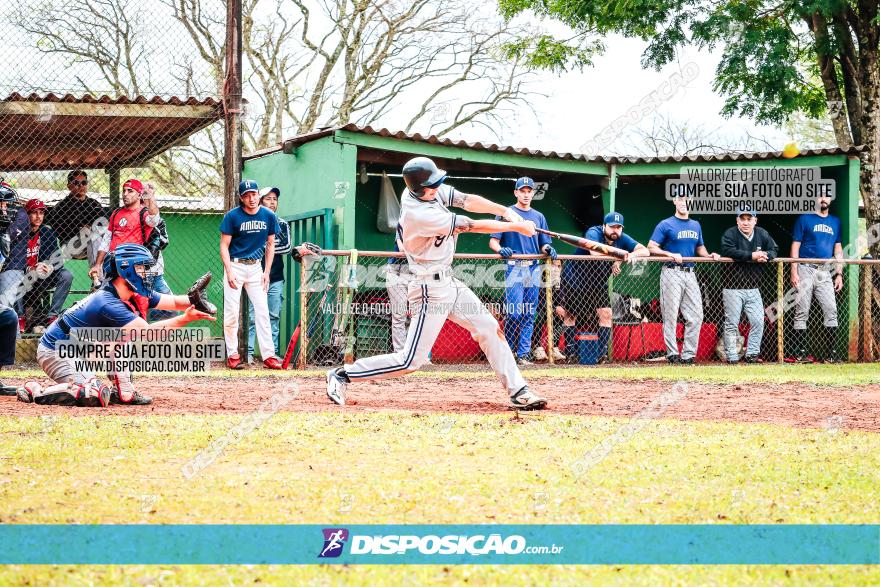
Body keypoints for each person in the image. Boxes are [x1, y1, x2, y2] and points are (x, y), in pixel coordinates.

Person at [325, 157, 547, 411]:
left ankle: (518, 390)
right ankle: (343, 374)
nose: (437, 187)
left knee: (489, 327)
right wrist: (517, 226)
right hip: (428, 289)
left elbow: (466, 199)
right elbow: (469, 224)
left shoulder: (426, 191)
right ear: (419, 189)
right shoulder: (418, 214)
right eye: (432, 185)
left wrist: (507, 212)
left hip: (449, 281)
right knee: (410, 361)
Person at [16, 244, 216, 407]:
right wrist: (186, 318)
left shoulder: (131, 292)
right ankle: (36, 390)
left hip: (84, 348)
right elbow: (148, 334)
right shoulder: (107, 302)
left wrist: (194, 299)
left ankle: (124, 393)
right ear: (125, 270)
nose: (146, 273)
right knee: (93, 393)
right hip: (55, 351)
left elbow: (172, 302)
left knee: (123, 337)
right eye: (141, 268)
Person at [557, 212, 649, 363]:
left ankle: (602, 355)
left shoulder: (622, 239)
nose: (615, 230)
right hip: (575, 278)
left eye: (618, 227)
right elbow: (594, 252)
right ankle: (571, 354)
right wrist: (620, 257)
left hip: (597, 281)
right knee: (570, 315)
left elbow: (645, 250)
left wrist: (629, 256)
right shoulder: (594, 232)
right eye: (612, 226)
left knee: (606, 313)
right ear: (604, 226)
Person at [487, 177, 557, 365]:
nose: (526, 194)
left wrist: (548, 249)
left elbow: (544, 245)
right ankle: (507, 351)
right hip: (514, 268)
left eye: (529, 191)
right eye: (522, 191)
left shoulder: (539, 216)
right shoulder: (506, 213)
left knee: (529, 313)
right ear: (516, 192)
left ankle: (523, 354)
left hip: (534, 268)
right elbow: (493, 241)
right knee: (514, 312)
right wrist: (501, 249)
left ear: (533, 193)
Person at [648, 196, 720, 364]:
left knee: (696, 316)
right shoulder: (665, 224)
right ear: (674, 201)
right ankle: (672, 354)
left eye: (688, 199)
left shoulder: (696, 225)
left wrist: (710, 255)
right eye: (680, 199)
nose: (684, 202)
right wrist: (670, 254)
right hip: (672, 271)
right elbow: (651, 246)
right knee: (670, 315)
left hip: (690, 273)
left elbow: (700, 247)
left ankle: (688, 355)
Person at [220, 179, 282, 370]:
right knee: (232, 312)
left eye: (254, 194)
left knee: (263, 311)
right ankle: (233, 355)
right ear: (241, 198)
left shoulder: (268, 216)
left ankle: (269, 356)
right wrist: (229, 271)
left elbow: (271, 244)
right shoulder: (232, 217)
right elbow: (224, 245)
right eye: (247, 195)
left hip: (256, 267)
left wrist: (267, 272)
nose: (251, 198)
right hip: (236, 266)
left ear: (258, 195)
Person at [0, 199, 74, 332]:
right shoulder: (18, 232)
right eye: (34, 212)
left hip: (41, 276)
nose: (39, 216)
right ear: (26, 215)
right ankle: (20, 317)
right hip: (23, 274)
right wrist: (29, 268)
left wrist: (48, 266)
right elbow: (11, 261)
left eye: (41, 213)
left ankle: (52, 316)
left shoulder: (47, 232)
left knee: (66, 275)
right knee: (15, 276)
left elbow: (57, 258)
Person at [786, 194, 843, 363]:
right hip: (805, 267)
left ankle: (831, 354)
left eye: (827, 196)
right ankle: (801, 353)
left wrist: (839, 273)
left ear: (831, 199)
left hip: (825, 271)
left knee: (831, 309)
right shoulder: (805, 218)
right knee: (802, 311)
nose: (823, 199)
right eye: (820, 196)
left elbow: (838, 249)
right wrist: (793, 271)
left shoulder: (836, 221)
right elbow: (795, 245)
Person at [720, 209, 778, 364]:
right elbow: (727, 250)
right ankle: (732, 356)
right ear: (737, 220)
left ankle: (752, 354)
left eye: (749, 218)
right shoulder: (730, 233)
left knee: (758, 321)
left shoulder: (762, 234)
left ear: (755, 220)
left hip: (753, 288)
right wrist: (752, 256)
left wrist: (766, 257)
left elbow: (774, 249)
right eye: (742, 219)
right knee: (732, 323)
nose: (746, 222)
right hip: (732, 287)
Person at [247, 186, 290, 361]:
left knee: (273, 316)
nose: (272, 202)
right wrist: (268, 244)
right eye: (268, 199)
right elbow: (247, 247)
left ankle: (271, 355)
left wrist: (263, 245)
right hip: (253, 277)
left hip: (275, 277)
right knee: (251, 316)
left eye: (275, 199)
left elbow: (287, 247)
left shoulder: (282, 224)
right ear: (259, 201)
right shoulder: (252, 222)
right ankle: (248, 353)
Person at [44, 170, 106, 266]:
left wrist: (90, 228)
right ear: (69, 186)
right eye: (77, 183)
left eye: (84, 183)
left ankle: (99, 275)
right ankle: (96, 274)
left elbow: (103, 224)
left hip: (94, 240)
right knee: (91, 234)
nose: (81, 186)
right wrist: (83, 229)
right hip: (71, 245)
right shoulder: (61, 206)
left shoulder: (94, 204)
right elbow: (60, 232)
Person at [530, 258, 566, 362]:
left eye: (559, 267)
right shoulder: (539, 278)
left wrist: (560, 307)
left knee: (562, 316)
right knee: (541, 315)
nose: (556, 269)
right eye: (553, 266)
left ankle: (554, 348)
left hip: (552, 310)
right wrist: (555, 308)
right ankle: (536, 347)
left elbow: (561, 299)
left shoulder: (560, 281)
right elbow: (538, 301)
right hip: (538, 308)